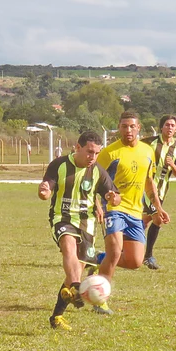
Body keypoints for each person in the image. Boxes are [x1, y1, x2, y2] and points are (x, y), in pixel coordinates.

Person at [38, 131, 120, 329]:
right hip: (62, 217)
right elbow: (46, 189)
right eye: (90, 152)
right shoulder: (59, 165)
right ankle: (76, 287)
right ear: (78, 148)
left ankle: (56, 316)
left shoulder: (99, 171)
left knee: (74, 270)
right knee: (68, 246)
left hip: (87, 223)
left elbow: (115, 196)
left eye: (97, 153)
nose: (93, 157)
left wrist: (112, 198)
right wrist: (44, 191)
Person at [96, 111, 170, 313]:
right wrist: (96, 205)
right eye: (124, 126)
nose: (128, 130)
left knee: (135, 261)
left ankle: (98, 259)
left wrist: (157, 208)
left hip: (135, 212)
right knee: (114, 252)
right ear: (119, 128)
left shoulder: (147, 152)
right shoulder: (109, 153)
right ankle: (100, 301)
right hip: (113, 209)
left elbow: (149, 182)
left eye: (132, 126)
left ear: (139, 128)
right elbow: (92, 180)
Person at [142, 115, 176, 270]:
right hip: (144, 188)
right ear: (161, 127)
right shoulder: (149, 143)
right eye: (167, 125)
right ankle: (148, 256)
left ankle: (125, 248)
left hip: (161, 191)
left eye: (173, 126)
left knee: (143, 221)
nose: (170, 128)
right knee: (158, 219)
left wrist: (172, 165)